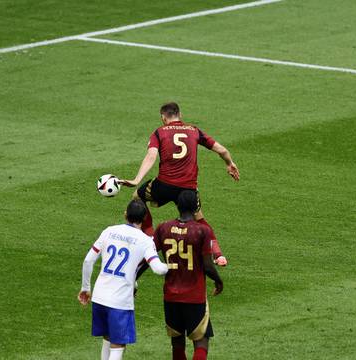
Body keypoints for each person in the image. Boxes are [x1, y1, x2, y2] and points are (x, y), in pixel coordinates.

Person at [120, 101, 239, 265]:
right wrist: (229, 163)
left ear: (163, 118)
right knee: (200, 218)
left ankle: (149, 237)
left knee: (137, 198)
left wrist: (136, 180)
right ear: (180, 115)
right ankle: (218, 255)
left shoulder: (159, 132)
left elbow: (151, 156)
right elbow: (222, 150)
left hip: (164, 186)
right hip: (188, 188)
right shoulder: (194, 130)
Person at [78, 200, 169, 360]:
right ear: (144, 218)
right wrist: (173, 266)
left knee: (107, 338)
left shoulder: (109, 231)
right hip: (119, 302)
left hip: (99, 297)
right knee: (118, 345)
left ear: (125, 214)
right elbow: (158, 269)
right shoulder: (145, 241)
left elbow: (88, 261)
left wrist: (86, 288)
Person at [154, 190, 224, 360]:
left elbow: (148, 256)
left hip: (170, 295)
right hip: (194, 296)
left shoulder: (163, 227)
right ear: (196, 207)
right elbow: (207, 266)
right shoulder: (202, 230)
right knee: (201, 341)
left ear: (177, 206)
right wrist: (219, 281)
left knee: (177, 343)